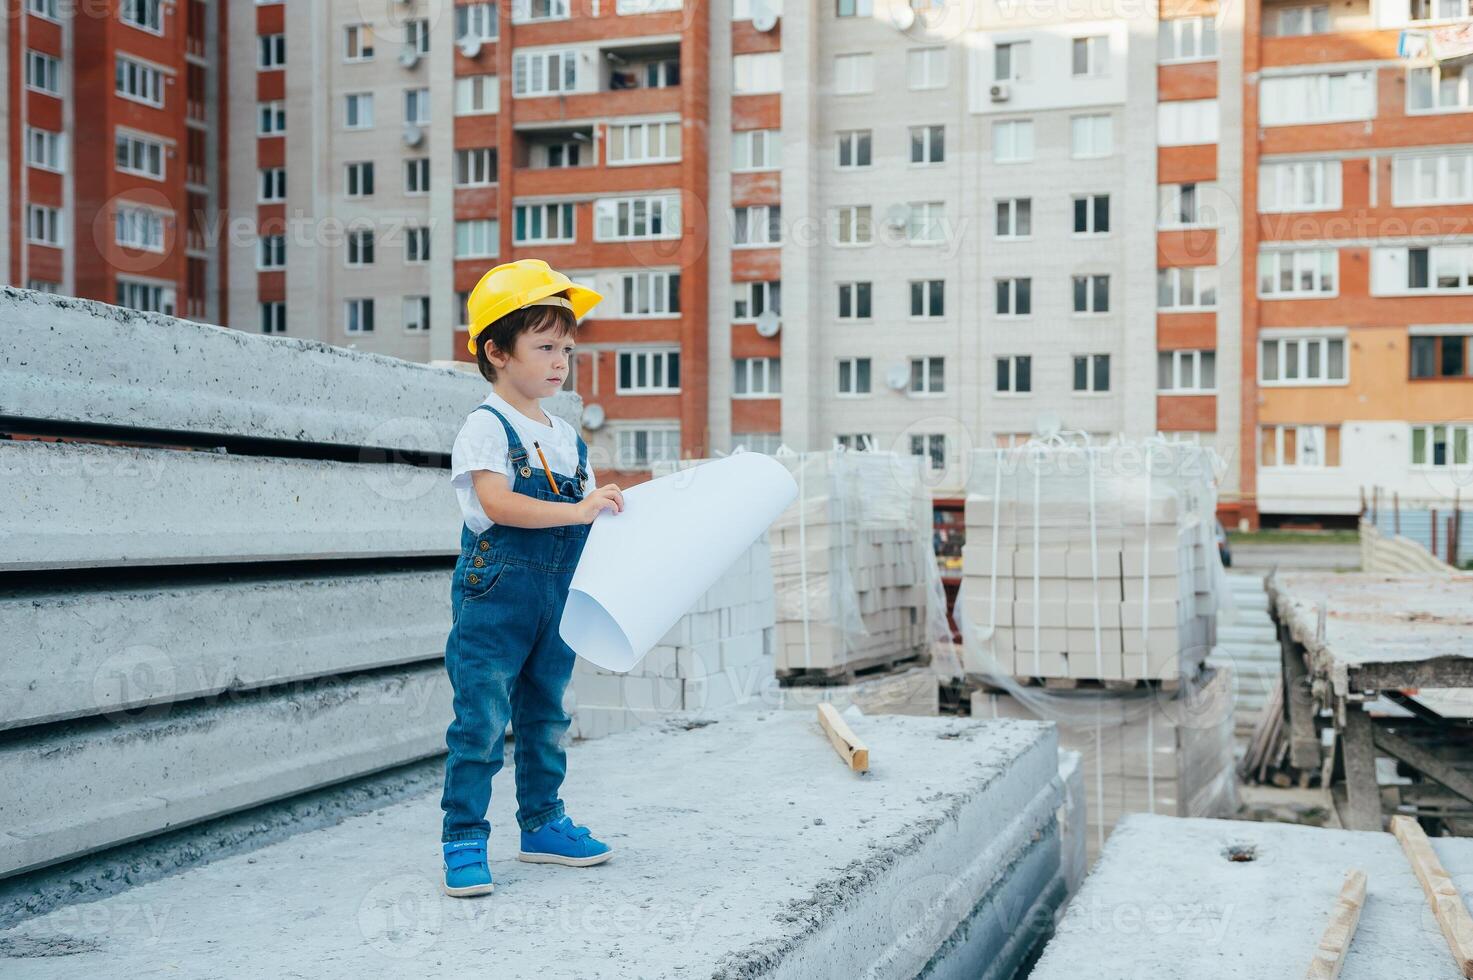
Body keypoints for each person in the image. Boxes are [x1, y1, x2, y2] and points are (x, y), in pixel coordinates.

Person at [439, 259, 625, 898]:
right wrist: (575, 509)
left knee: (545, 713)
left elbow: (577, 507)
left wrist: (601, 503)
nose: (560, 361)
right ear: (496, 350)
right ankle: (464, 838)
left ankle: (542, 824)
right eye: (545, 347)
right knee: (482, 720)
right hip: (497, 597)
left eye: (567, 349)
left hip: (558, 594)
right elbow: (497, 504)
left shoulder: (566, 434)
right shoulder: (484, 427)